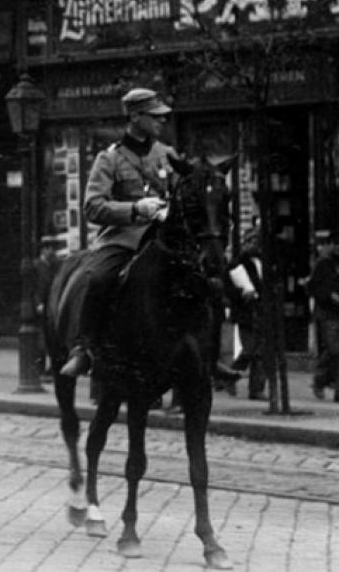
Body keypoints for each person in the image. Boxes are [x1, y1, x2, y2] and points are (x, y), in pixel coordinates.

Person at [59, 88, 241, 384]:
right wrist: (135, 209)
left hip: (166, 237)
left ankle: (210, 355)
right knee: (98, 278)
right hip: (123, 238)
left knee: (209, 281)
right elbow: (92, 206)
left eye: (163, 116)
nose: (162, 120)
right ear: (134, 117)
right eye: (154, 116)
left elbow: (188, 194)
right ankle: (84, 348)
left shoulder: (167, 155)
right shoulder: (109, 159)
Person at [226, 229, 267, 400]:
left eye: (256, 241)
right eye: (250, 241)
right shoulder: (237, 263)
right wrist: (241, 293)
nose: (254, 244)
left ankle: (256, 388)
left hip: (262, 310)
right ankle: (230, 374)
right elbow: (228, 289)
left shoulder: (264, 261)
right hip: (246, 311)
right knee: (249, 349)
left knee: (261, 352)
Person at [307, 229, 339, 402]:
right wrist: (329, 295)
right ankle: (321, 379)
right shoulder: (323, 264)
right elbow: (313, 288)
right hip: (328, 313)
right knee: (333, 350)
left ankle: (328, 382)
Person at [33, 235, 64, 378]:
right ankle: (40, 369)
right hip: (41, 306)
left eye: (53, 248)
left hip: (53, 305)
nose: (51, 251)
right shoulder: (36, 266)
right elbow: (32, 288)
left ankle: (52, 369)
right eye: (49, 248)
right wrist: (37, 303)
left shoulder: (56, 265)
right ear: (43, 249)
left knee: (53, 338)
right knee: (41, 341)